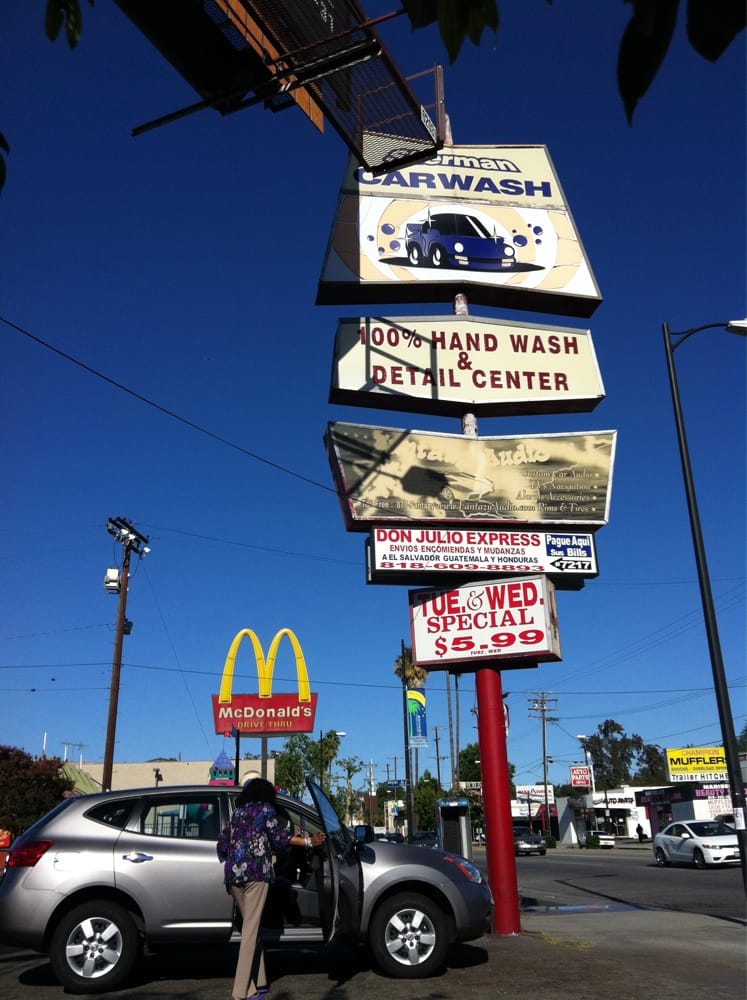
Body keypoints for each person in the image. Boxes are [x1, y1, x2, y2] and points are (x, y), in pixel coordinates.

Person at [217, 778, 324, 1000]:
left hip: (232, 876)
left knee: (251, 927)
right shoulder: (265, 810)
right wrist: (307, 843)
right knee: (250, 931)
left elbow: (222, 844)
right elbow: (279, 839)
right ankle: (240, 993)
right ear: (266, 794)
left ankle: (260, 981)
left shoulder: (237, 813)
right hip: (256, 874)